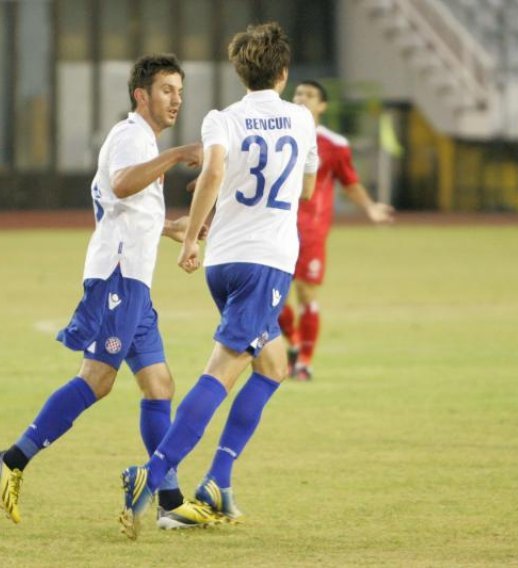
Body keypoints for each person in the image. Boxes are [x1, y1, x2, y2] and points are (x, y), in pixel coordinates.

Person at [118, 22, 318, 540]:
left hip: (224, 263)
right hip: (268, 262)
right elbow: (309, 185)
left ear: (239, 71)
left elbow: (211, 175)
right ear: (283, 71)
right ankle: (152, 475)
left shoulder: (220, 119)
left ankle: (217, 485)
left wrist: (191, 240)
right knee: (225, 369)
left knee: (273, 364)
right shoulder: (300, 117)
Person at [0, 54, 217, 530]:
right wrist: (179, 154)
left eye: (180, 90)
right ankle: (12, 460)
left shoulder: (143, 142)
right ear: (142, 95)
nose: (176, 98)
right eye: (166, 90)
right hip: (117, 276)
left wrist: (174, 227)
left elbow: (129, 208)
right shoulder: (130, 135)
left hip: (135, 279)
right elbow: (120, 185)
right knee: (97, 379)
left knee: (159, 385)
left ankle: (169, 503)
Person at [277, 80, 394, 381]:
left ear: (322, 106)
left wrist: (369, 208)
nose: (302, 98)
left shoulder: (334, 144)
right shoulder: (277, 133)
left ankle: (304, 361)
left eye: (310, 95)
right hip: (276, 227)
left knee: (305, 293)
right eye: (299, 93)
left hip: (312, 231)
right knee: (274, 297)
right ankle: (292, 344)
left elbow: (349, 182)